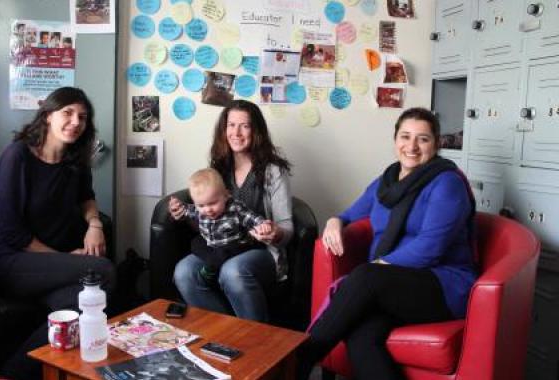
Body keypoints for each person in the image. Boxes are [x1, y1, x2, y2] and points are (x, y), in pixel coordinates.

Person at [297, 107, 477, 380]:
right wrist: (335, 221)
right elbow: (348, 214)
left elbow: (430, 248)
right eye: (405, 136)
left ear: (437, 144)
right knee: (362, 335)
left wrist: (378, 268)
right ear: (395, 141)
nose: (412, 146)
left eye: (423, 139)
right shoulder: (386, 182)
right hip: (391, 286)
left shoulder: (447, 183)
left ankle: (297, 363)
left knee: (366, 276)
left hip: (442, 285)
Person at [0, 87, 115, 380]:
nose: (75, 122)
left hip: (51, 265)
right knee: (101, 270)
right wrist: (66, 260)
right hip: (9, 260)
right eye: (67, 113)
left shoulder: (75, 161)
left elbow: (86, 197)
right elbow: (10, 231)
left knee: (85, 301)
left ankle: (11, 374)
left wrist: (95, 225)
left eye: (82, 117)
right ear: (47, 116)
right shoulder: (17, 156)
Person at [172, 99, 293, 323]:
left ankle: (257, 336)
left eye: (244, 125)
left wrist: (275, 233)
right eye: (231, 125)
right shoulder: (218, 167)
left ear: (256, 131)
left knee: (232, 271)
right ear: (224, 129)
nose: (236, 132)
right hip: (220, 248)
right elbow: (205, 220)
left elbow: (287, 227)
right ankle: (226, 331)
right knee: (184, 271)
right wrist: (184, 213)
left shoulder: (273, 171)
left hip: (259, 251)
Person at [170, 168, 273, 284]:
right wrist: (178, 206)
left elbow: (251, 217)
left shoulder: (235, 208)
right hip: (211, 244)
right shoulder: (199, 210)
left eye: (213, 203)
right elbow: (188, 209)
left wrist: (263, 224)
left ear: (226, 195)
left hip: (232, 245)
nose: (208, 209)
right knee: (195, 242)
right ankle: (212, 261)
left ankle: (212, 268)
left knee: (226, 251)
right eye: (201, 205)